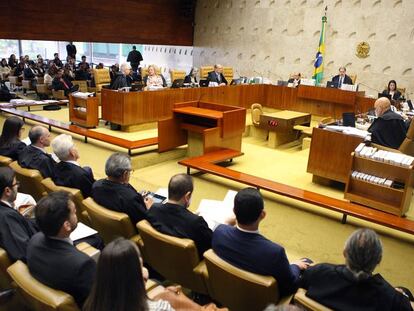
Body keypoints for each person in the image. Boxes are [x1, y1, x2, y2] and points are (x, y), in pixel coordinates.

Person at [212, 188, 310, 298]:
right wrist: (295, 266)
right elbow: (291, 285)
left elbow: (222, 230)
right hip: (260, 303)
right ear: (262, 215)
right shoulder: (275, 252)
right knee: (307, 264)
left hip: (225, 292)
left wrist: (226, 224)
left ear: (234, 211)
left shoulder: (219, 232)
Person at [299, 228, 414, 311]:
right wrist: (400, 295)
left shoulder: (318, 272)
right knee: (406, 290)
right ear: (378, 260)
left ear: (345, 252)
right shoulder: (393, 299)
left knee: (306, 261)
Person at [27, 191, 96, 307]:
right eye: (74, 212)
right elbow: (97, 301)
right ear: (67, 225)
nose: (76, 213)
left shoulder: (34, 241)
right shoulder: (82, 265)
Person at [83, 237, 174, 311]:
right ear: (134, 277)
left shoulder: (90, 305)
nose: (144, 271)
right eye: (140, 266)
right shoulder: (160, 308)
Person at [147, 173, 212, 258]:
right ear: (187, 196)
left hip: (160, 257)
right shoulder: (196, 222)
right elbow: (212, 244)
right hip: (187, 265)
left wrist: (191, 216)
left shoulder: (154, 208)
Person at [92, 153, 152, 224]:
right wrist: (150, 208)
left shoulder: (96, 185)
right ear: (125, 174)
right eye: (130, 172)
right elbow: (145, 220)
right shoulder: (130, 199)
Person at [0, 167, 37, 262]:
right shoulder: (7, 217)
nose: (17, 187)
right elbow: (25, 252)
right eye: (16, 184)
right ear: (7, 191)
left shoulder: (6, 210)